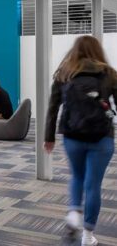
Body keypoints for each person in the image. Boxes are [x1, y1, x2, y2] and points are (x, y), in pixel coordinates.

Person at [44, 36, 116, 246]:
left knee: (77, 176)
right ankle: (87, 236)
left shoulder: (64, 74)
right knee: (93, 185)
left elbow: (53, 107)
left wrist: (49, 137)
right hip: (102, 137)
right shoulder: (109, 74)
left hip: (72, 136)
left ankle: (74, 211)